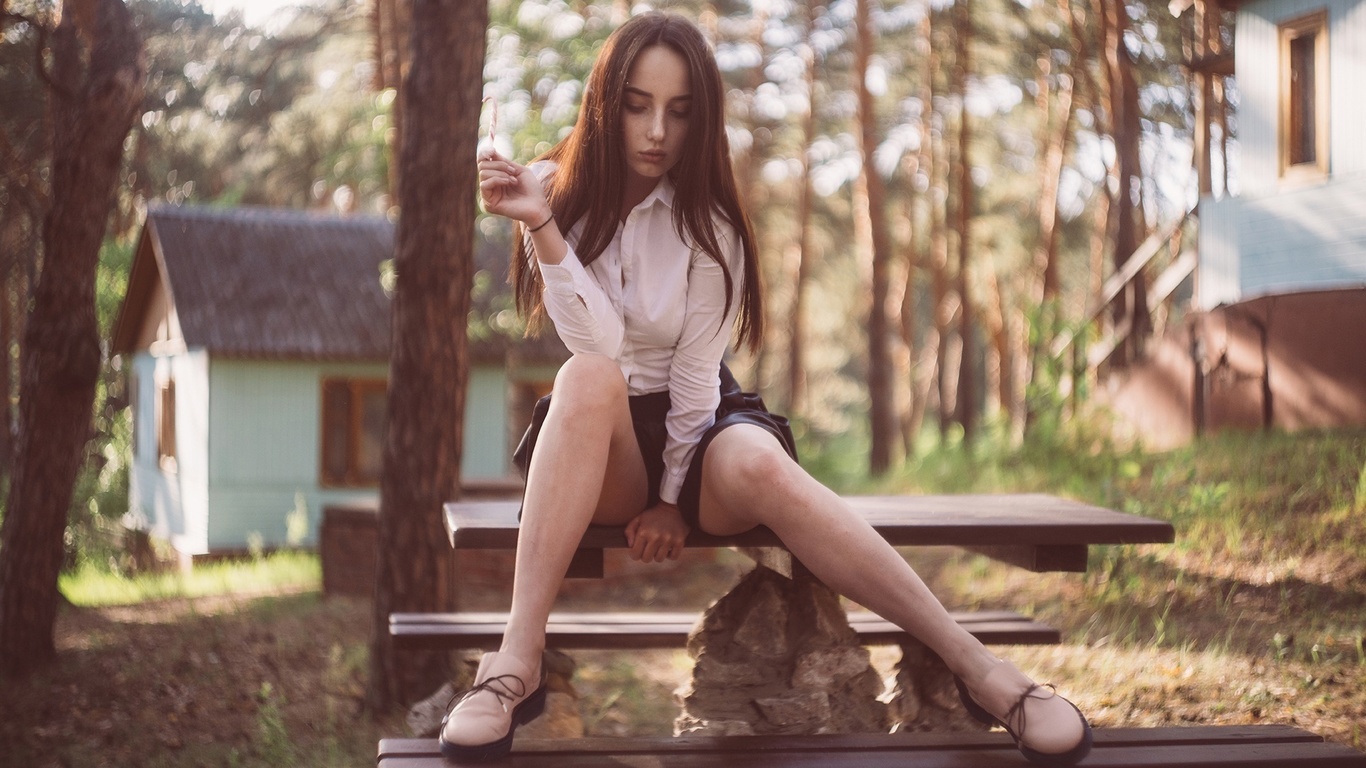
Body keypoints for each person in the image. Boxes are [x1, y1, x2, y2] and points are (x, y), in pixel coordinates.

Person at [446, 11, 1092, 767]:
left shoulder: (711, 221)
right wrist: (542, 229)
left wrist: (672, 495)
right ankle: (514, 667)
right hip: (605, 433)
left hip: (701, 418)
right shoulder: (552, 191)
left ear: (703, 118)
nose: (657, 130)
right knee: (585, 377)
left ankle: (986, 673)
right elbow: (602, 349)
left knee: (757, 463)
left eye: (680, 111)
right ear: (605, 102)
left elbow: (694, 380)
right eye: (638, 104)